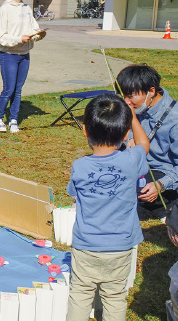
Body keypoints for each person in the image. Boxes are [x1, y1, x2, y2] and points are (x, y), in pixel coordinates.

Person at [66, 93, 149, 321]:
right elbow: (143, 144)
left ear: (85, 131)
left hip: (86, 245)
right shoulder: (132, 160)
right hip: (120, 246)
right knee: (114, 296)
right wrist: (132, 116)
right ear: (125, 135)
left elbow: (73, 194)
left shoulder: (79, 166)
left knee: (80, 295)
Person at [117, 64, 178, 219]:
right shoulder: (135, 108)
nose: (126, 102)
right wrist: (129, 139)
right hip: (137, 168)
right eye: (123, 95)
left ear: (151, 91)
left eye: (130, 96)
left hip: (164, 174)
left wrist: (161, 185)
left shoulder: (175, 119)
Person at [0, 0, 46, 133]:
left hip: (25, 55)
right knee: (8, 89)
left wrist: (38, 35)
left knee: (18, 89)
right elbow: (1, 36)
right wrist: (18, 39)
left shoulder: (26, 9)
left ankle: (13, 120)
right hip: (8, 55)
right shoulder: (4, 9)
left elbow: (34, 28)